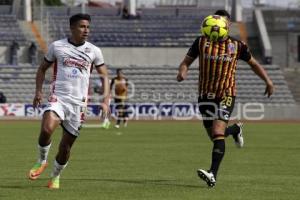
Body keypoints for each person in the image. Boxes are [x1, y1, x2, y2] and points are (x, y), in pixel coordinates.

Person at [176, 10, 274, 187]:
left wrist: (268, 81)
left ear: (228, 25)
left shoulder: (237, 46)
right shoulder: (200, 42)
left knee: (217, 132)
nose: (221, 24)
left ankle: (212, 174)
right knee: (214, 136)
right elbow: (186, 62)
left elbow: (254, 64)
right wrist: (182, 72)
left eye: (225, 21)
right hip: (205, 95)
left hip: (226, 93)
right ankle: (235, 129)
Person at [28, 13, 110, 189]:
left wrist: (105, 101)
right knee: (46, 129)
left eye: (88, 27)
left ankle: (55, 177)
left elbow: (104, 76)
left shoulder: (94, 51)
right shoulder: (57, 46)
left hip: (79, 105)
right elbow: (42, 69)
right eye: (82, 26)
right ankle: (41, 160)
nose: (86, 30)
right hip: (58, 98)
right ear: (72, 28)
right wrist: (38, 92)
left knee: (65, 148)